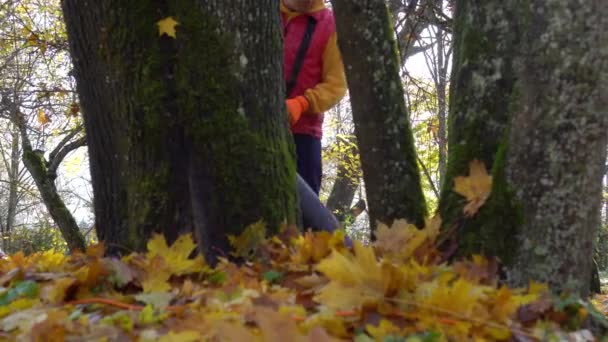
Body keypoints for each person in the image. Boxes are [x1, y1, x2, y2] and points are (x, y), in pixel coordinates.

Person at [282, 0, 347, 195]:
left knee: (307, 212)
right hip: (254, 124)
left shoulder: (329, 25)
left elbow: (336, 85)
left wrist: (302, 104)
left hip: (303, 134)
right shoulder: (264, 13)